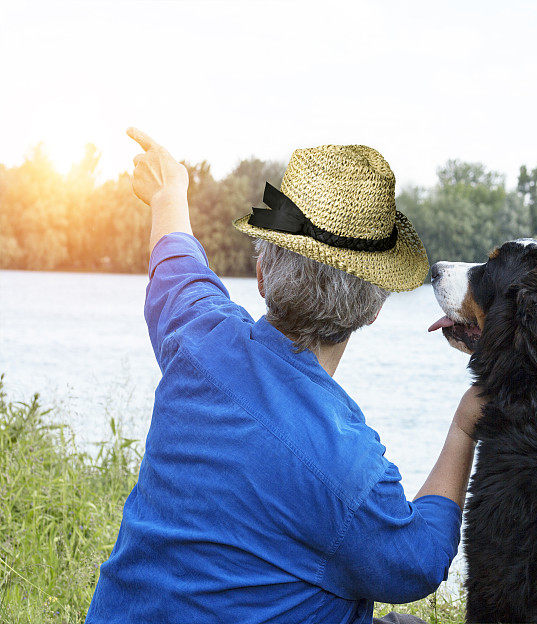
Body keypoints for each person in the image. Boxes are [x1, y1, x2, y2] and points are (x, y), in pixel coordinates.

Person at [84, 128, 485, 624]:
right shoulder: (349, 470)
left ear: (261, 273)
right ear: (374, 309)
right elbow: (418, 563)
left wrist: (169, 193)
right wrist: (465, 427)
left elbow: (178, 262)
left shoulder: (197, 338)